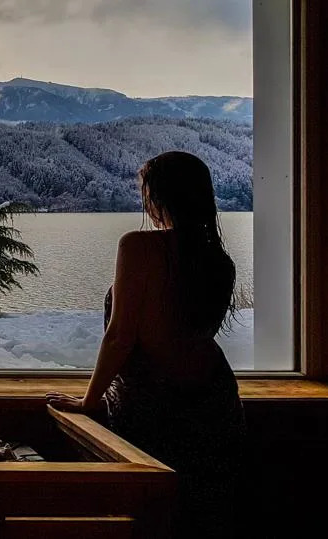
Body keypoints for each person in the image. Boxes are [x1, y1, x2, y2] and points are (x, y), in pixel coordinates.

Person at [46, 151, 246, 538]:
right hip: (217, 405)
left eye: (145, 192)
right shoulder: (219, 261)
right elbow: (187, 338)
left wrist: (89, 402)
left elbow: (121, 336)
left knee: (147, 518)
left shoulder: (139, 247)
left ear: (157, 198)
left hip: (154, 410)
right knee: (205, 516)